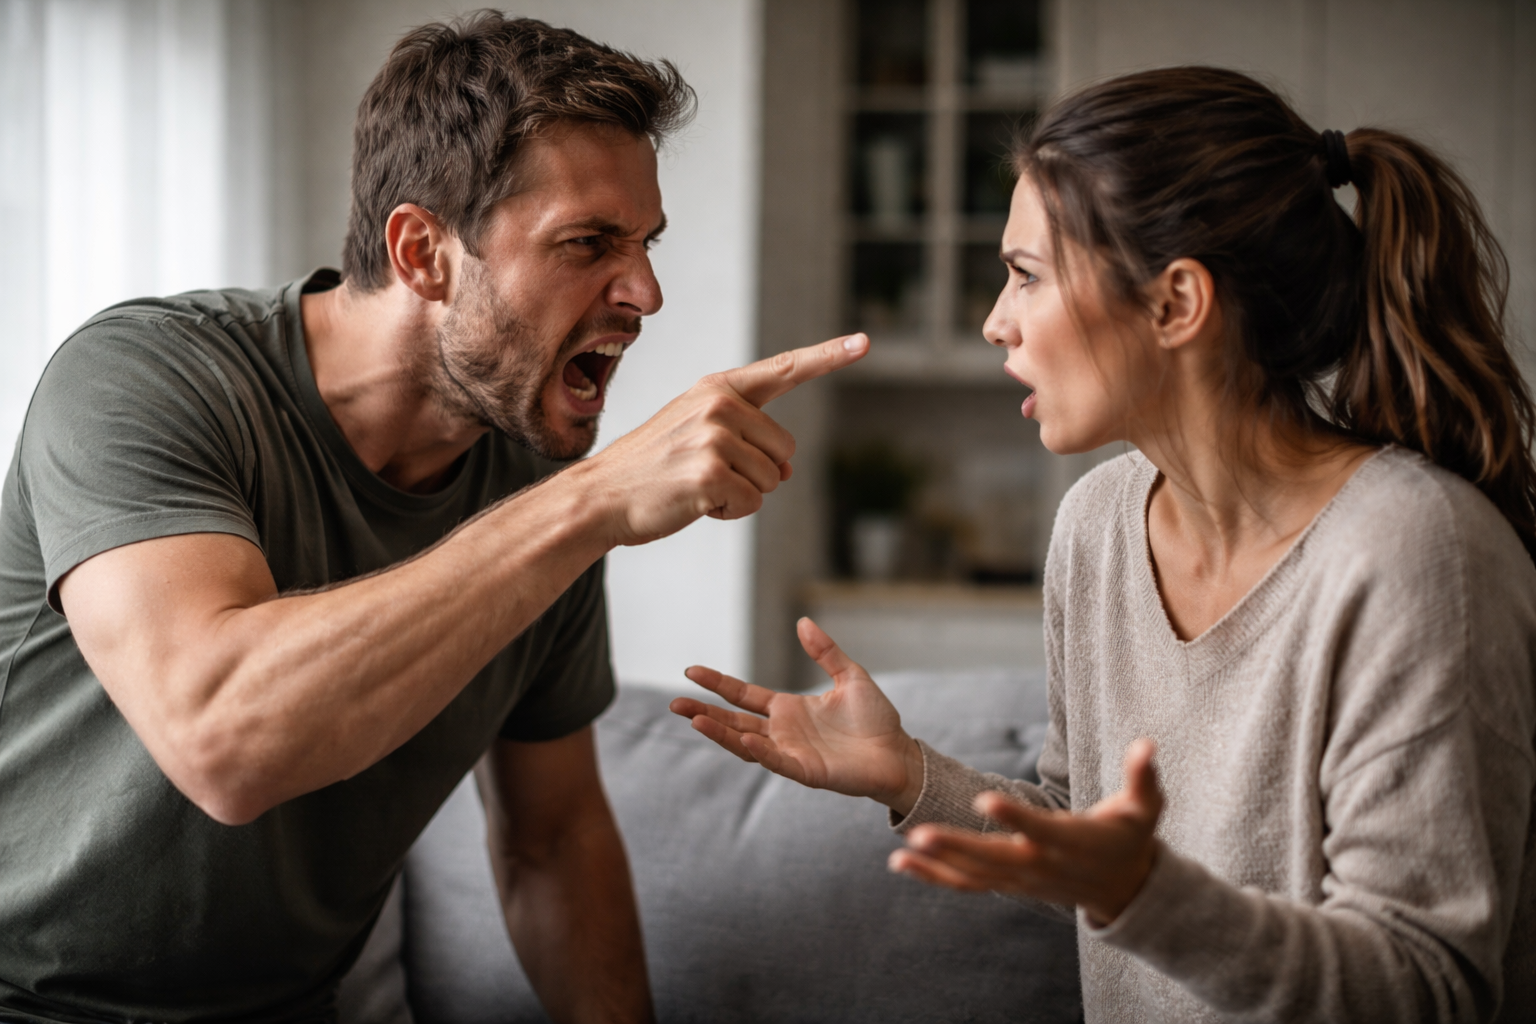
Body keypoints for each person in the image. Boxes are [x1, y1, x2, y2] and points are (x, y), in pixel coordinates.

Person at [0, 13, 866, 1024]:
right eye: (588, 243)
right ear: (423, 252)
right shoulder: (145, 378)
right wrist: (590, 502)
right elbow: (223, 742)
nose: (644, 292)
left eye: (644, 245)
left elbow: (552, 840)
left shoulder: (535, 488)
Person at [672, 66, 1536, 1023]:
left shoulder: (1414, 551)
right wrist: (910, 773)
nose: (995, 321)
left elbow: (1428, 984)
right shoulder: (1098, 525)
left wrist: (1147, 898)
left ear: (1175, 304)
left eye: (1027, 275)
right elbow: (1090, 847)